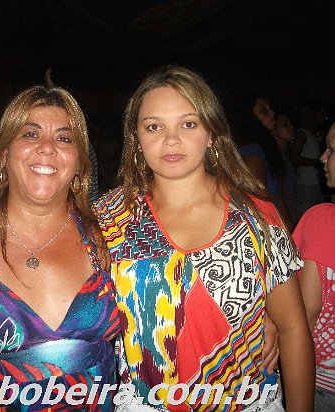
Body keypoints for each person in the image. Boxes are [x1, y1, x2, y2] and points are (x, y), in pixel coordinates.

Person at [93, 65, 314, 410]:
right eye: (154, 126)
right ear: (136, 139)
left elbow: (294, 328)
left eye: (188, 124)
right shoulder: (109, 217)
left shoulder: (255, 215)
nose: (171, 140)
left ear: (211, 133)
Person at [0, 85, 120, 410]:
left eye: (64, 138)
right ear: (3, 153)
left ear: (80, 162)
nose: (47, 148)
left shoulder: (108, 233)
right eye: (30, 134)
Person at [292, 121, 335, 412]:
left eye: (331, 149)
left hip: (322, 381)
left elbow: (305, 314)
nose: (322, 157)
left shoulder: (323, 221)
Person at [231, 95, 294, 230]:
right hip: (265, 228)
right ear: (249, 118)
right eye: (263, 111)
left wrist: (291, 232)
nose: (271, 112)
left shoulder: (268, 150)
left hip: (275, 225)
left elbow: (278, 198)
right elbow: (256, 202)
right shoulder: (252, 152)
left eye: (269, 108)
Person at [273, 112, 299, 223]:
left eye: (290, 124)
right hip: (283, 217)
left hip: (289, 211)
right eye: (285, 125)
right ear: (273, 131)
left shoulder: (283, 155)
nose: (291, 127)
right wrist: (289, 224)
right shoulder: (275, 158)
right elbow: (278, 196)